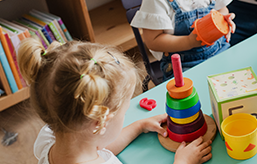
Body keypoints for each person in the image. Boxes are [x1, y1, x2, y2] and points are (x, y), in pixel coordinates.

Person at [17, 38, 213, 164]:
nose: (126, 115)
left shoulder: (49, 138)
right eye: (125, 111)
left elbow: (97, 147)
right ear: (99, 123)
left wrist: (138, 126)